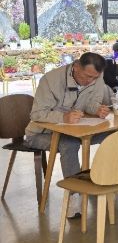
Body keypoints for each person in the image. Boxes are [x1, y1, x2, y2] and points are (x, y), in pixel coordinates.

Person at [25, 52, 111, 218]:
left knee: (111, 134)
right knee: (69, 143)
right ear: (76, 66)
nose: (91, 81)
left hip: (76, 130)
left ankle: (105, 180)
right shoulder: (51, 80)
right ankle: (74, 197)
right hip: (40, 134)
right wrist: (63, 117)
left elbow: (91, 104)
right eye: (87, 76)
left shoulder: (96, 76)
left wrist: (97, 110)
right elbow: (36, 114)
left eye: (95, 77)